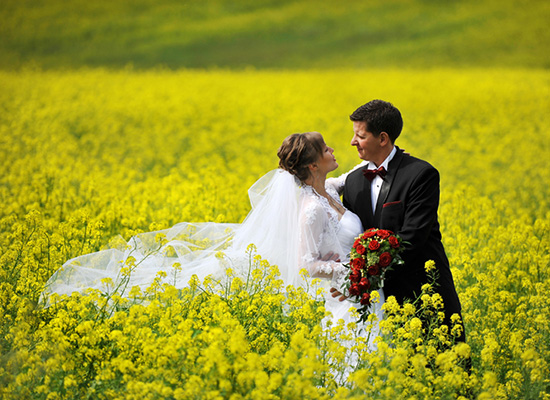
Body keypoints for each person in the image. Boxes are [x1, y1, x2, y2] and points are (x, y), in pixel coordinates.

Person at [43, 132, 383, 346]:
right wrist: (350, 275)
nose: (334, 148)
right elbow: (306, 264)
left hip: (361, 289)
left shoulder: (330, 191)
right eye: (325, 148)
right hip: (340, 292)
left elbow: (350, 177)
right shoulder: (310, 209)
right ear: (311, 165)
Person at [331, 99, 464, 342]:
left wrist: (360, 275)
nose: (352, 142)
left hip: (423, 292)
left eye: (360, 136)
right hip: (376, 301)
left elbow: (413, 237)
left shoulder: (421, 174)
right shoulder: (352, 182)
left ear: (383, 139)